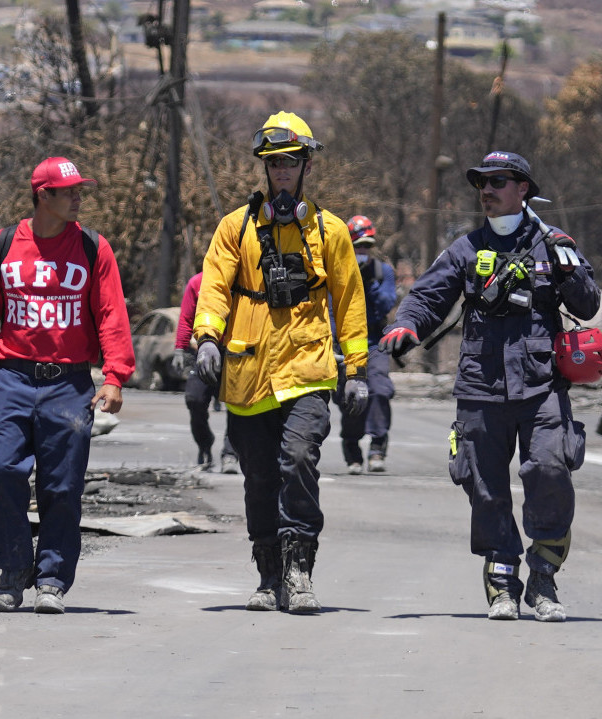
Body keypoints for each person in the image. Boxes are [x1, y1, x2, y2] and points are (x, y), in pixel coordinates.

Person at [379, 150, 601, 622]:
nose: (487, 190)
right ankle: (502, 581)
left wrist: (568, 266)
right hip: (481, 387)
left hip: (542, 385)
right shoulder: (466, 248)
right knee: (484, 486)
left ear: (523, 189)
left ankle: (543, 575)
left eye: (498, 181)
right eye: (482, 182)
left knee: (549, 467)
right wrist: (408, 325)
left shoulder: (553, 244)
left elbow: (586, 305)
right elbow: (428, 295)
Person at [191, 111, 369, 614]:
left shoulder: (329, 231)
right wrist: (206, 337)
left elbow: (350, 301)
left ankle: (300, 571)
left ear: (306, 165)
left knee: (297, 461)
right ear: (264, 169)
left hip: (308, 370)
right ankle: (269, 575)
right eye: (274, 164)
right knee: (260, 479)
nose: (282, 171)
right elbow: (215, 286)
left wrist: (355, 370)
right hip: (248, 377)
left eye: (290, 162)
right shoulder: (235, 228)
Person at [0, 156, 135, 614]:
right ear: (42, 195)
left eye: (78, 190)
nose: (77, 198)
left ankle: (51, 579)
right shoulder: (1, 246)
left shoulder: (92, 248)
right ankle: (13, 572)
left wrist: (115, 377)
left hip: (68, 384)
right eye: (68, 191)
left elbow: (111, 314)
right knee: (1, 469)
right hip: (11, 379)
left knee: (62, 487)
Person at [334, 215, 397, 474]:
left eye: (366, 246)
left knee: (380, 390)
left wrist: (368, 282)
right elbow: (327, 309)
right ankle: (352, 450)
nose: (362, 251)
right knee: (349, 397)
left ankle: (378, 448)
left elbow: (386, 304)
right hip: (343, 346)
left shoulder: (384, 272)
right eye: (357, 246)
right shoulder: (335, 270)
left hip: (373, 342)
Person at [172, 271, 239, 473]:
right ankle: (205, 442)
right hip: (204, 349)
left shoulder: (244, 279)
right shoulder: (197, 283)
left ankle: (230, 454)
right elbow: (186, 317)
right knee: (195, 399)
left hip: (236, 352)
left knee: (237, 405)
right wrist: (180, 348)